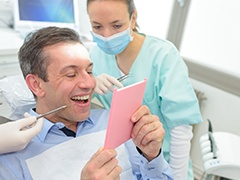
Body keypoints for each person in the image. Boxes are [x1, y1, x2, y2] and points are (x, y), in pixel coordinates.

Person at [0, 26, 173, 179]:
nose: (90, 84)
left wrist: (152, 157)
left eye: (89, 71)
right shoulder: (12, 156)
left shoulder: (112, 121)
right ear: (36, 85)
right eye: (71, 74)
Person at [86, 0, 203, 179]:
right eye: (97, 26)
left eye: (116, 26)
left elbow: (181, 128)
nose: (107, 35)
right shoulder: (95, 56)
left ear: (133, 18)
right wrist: (91, 85)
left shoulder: (163, 55)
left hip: (165, 161)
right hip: (124, 163)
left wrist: (177, 176)